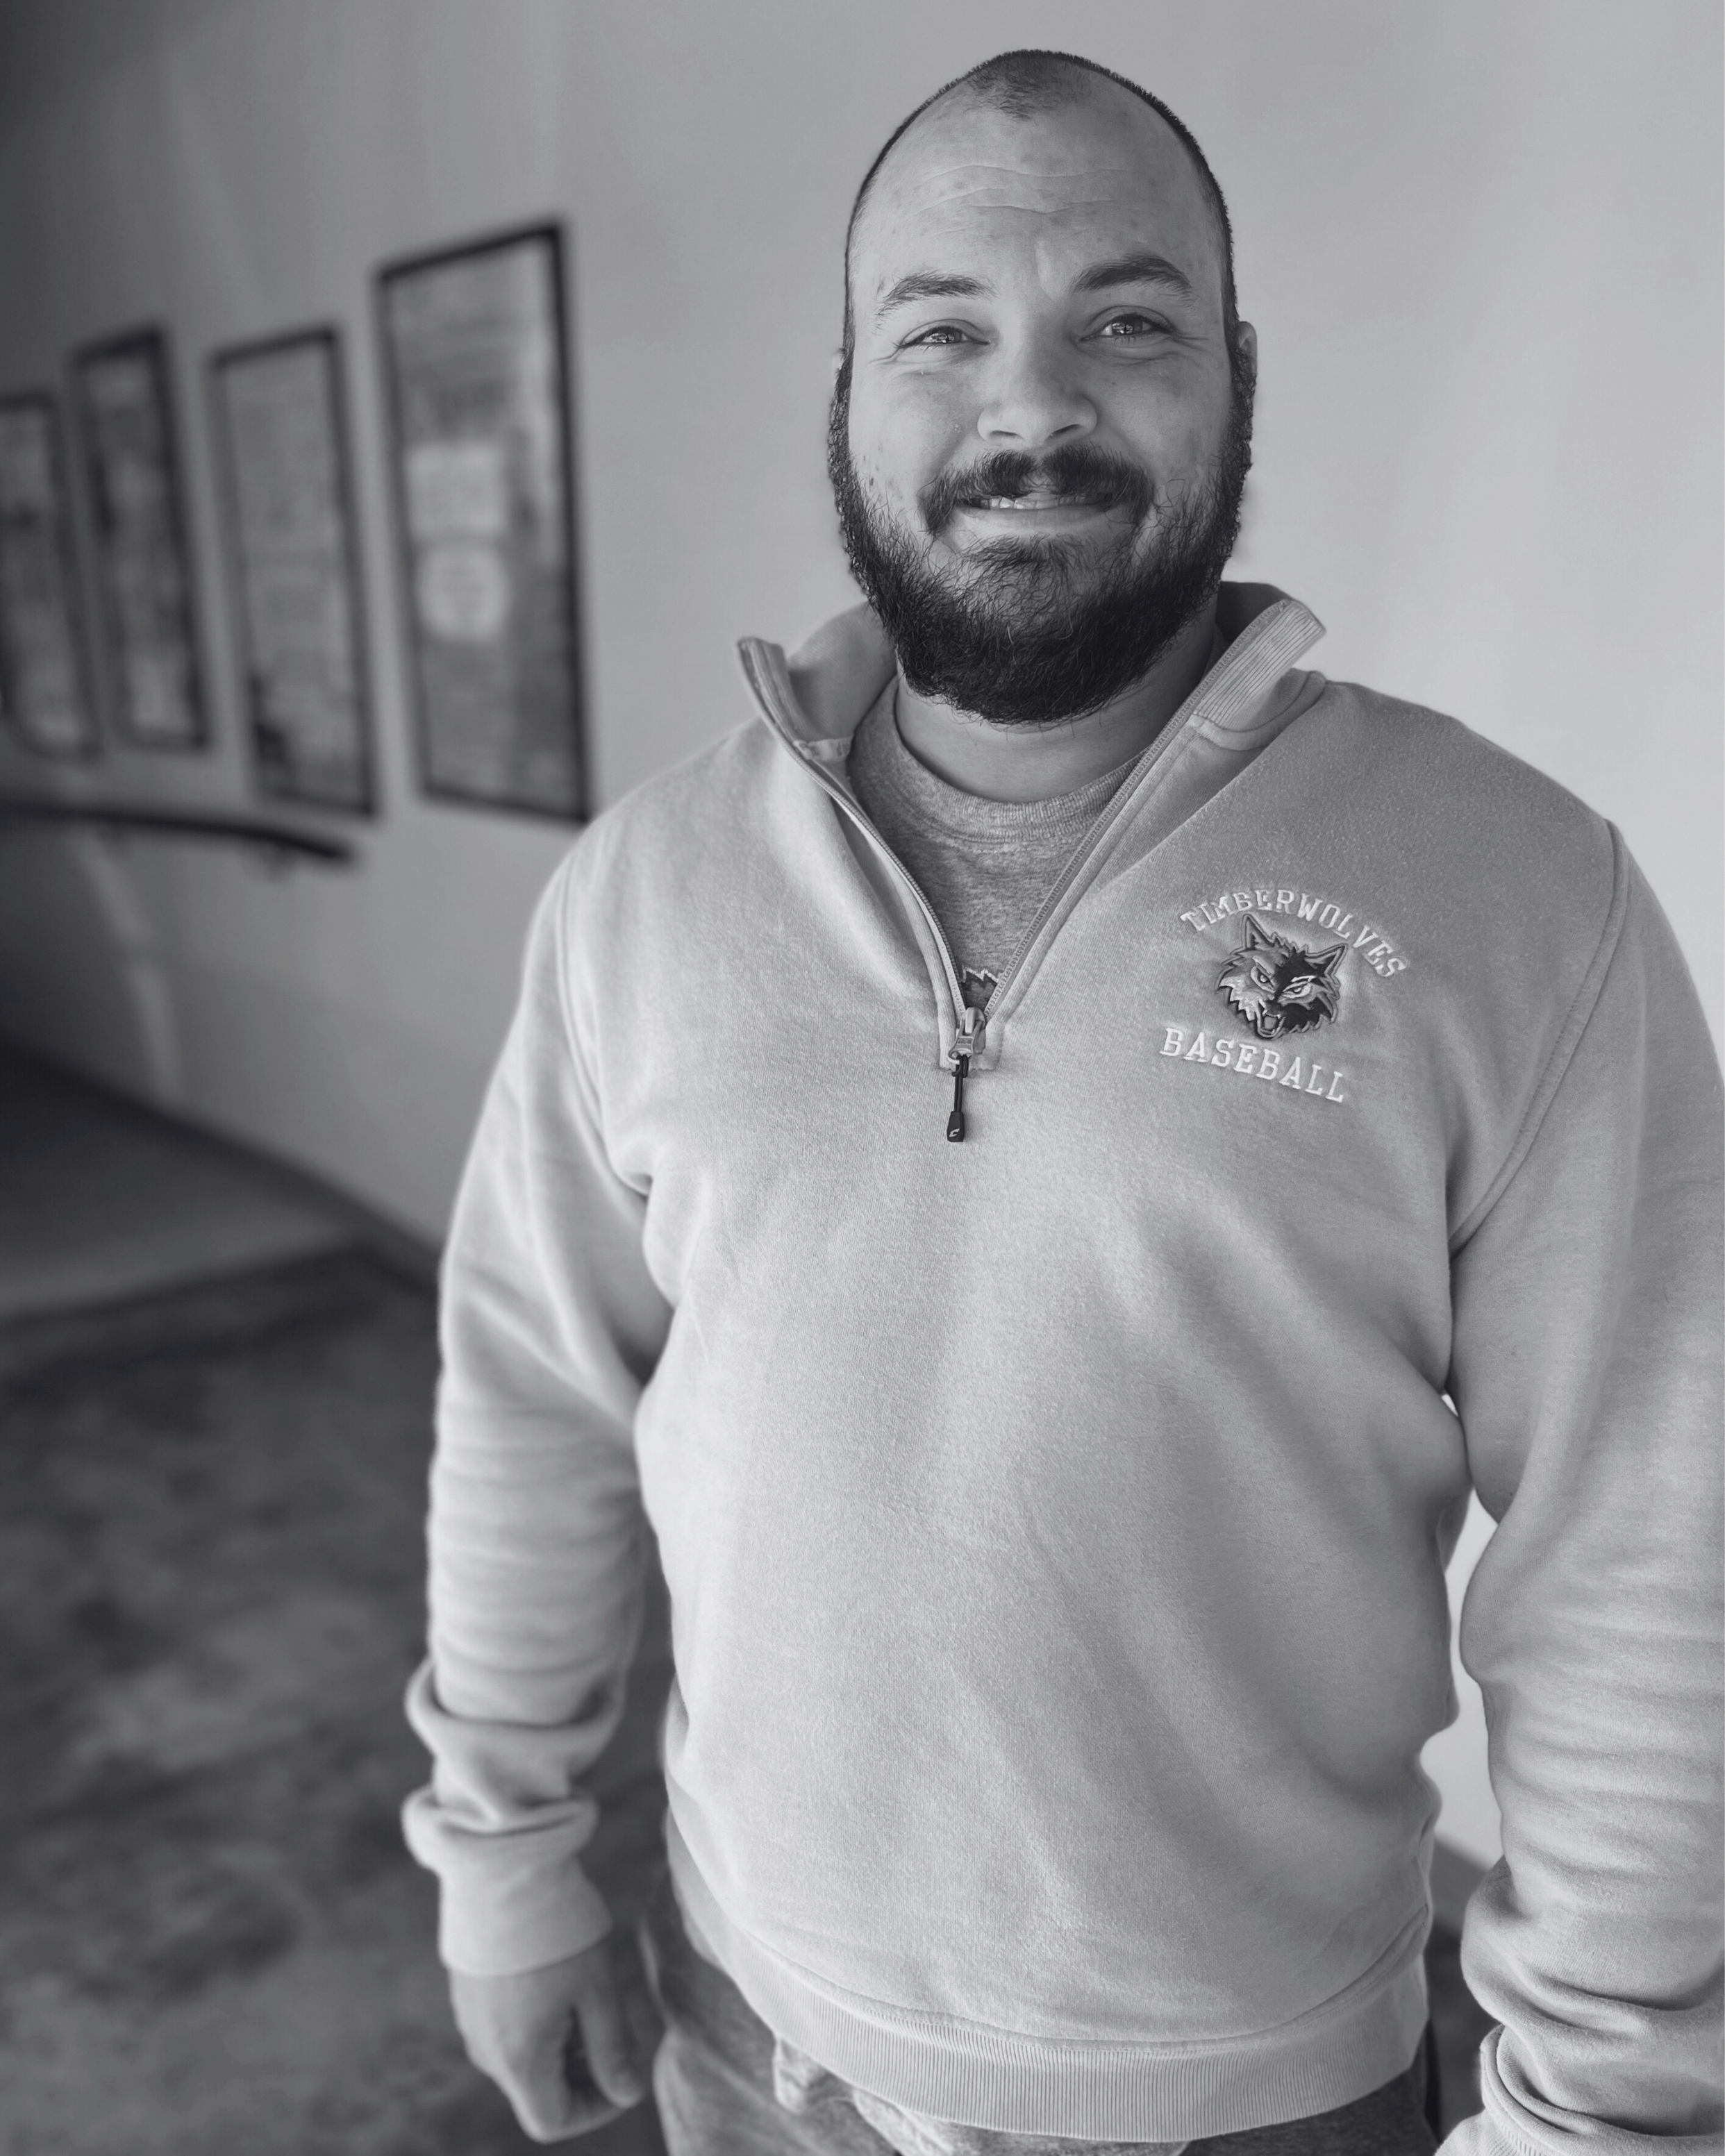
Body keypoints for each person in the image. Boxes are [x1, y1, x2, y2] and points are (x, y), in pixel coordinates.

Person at [401, 47, 1725, 2156]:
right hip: (745, 2034)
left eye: (1127, 322)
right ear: (847, 395)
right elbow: (535, 1396)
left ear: (1238, 379)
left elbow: (1649, 1541)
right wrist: (505, 1852)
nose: (1031, 411)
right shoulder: (643, 890)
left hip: (1248, 2099)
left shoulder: (1513, 894)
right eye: (942, 332)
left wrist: (1605, 2107)